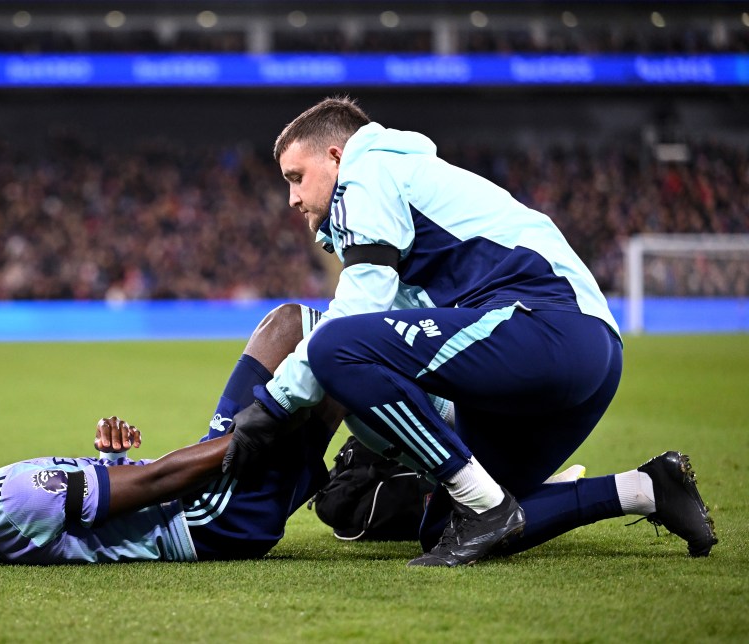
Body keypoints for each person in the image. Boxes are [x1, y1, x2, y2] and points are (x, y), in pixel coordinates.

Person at [222, 96, 717, 566]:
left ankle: (488, 506)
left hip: (547, 328)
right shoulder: (407, 191)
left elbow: (354, 320)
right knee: (443, 528)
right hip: (586, 355)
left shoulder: (366, 171)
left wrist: (273, 405)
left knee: (335, 345)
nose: (291, 198)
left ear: (336, 156)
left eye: (296, 177)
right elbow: (411, 345)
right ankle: (647, 489)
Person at [0, 304, 343, 563]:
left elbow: (96, 526)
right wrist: (262, 421)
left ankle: (397, 440)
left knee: (334, 387)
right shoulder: (11, 499)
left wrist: (110, 464)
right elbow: (156, 484)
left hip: (210, 520)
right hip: (209, 516)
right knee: (289, 327)